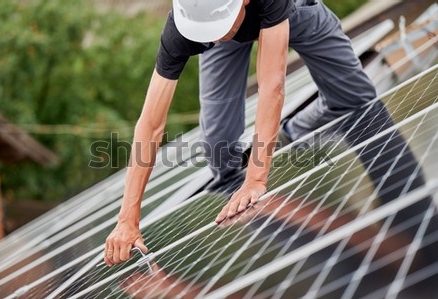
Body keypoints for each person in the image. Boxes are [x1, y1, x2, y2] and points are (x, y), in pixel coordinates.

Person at [103, 0, 383, 266]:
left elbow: (272, 86)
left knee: (357, 99)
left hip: (290, 12)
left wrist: (255, 179)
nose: (211, 38)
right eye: (205, 33)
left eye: (215, 29)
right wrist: (127, 219)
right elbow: (150, 125)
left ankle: (291, 132)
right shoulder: (186, 25)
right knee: (219, 155)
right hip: (228, 28)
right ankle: (273, 148)